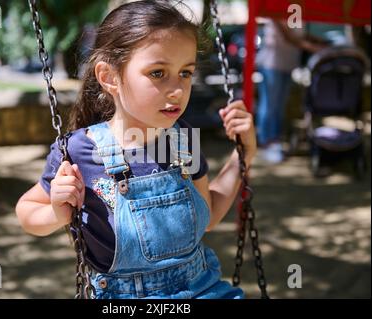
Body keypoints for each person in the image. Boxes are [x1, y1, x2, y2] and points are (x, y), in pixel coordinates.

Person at [16, 0, 256, 299]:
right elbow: (26, 211)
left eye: (185, 73)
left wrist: (242, 155)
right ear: (109, 77)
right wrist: (56, 212)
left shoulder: (182, 140)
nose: (178, 89)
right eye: (158, 73)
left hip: (202, 288)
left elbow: (209, 215)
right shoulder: (80, 150)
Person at [255, 19, 327, 163]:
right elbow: (290, 37)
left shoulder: (297, 12)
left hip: (287, 65)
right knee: (270, 106)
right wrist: (316, 48)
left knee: (279, 107)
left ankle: (274, 141)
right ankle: (266, 143)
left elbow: (302, 35)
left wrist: (325, 43)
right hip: (271, 64)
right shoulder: (277, 9)